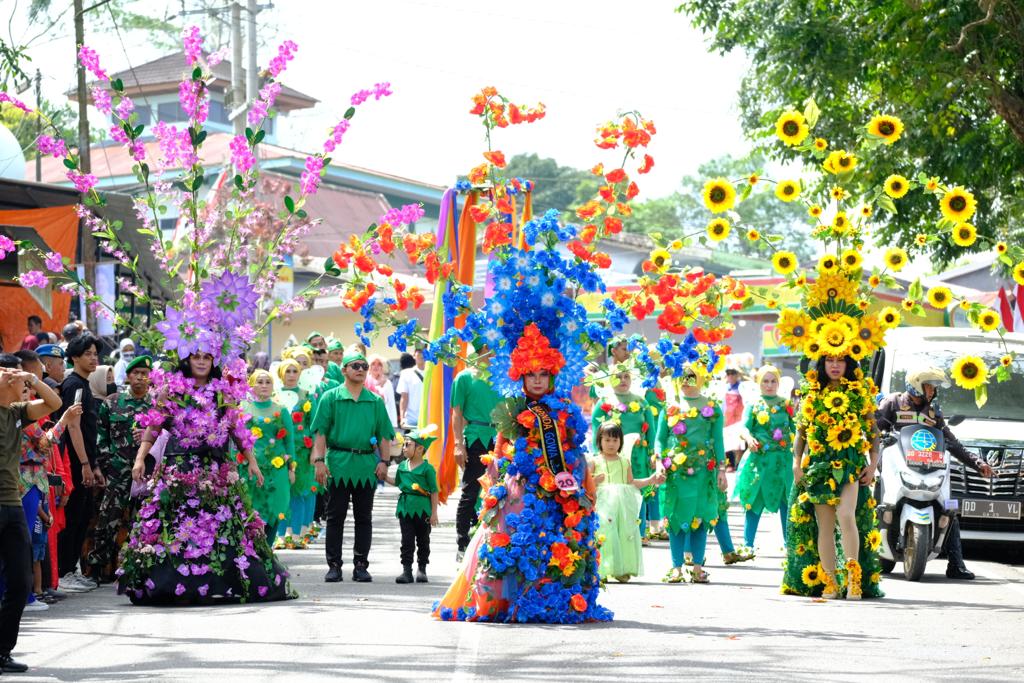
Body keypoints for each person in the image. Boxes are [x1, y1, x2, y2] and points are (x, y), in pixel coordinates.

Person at [432, 324, 608, 623]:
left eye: (543, 375)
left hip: (558, 487)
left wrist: (573, 474)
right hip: (520, 485)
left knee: (559, 538)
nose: (537, 381)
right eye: (531, 375)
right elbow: (500, 446)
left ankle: (553, 599)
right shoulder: (513, 406)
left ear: (551, 376)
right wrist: (501, 468)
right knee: (514, 536)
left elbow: (572, 445)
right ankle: (510, 599)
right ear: (521, 376)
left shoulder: (563, 407)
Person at [121, 352, 292, 604]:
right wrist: (139, 458)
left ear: (214, 362)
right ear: (186, 360)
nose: (201, 362)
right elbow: (153, 426)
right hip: (178, 468)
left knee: (220, 527)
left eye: (207, 358)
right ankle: (172, 584)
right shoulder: (173, 389)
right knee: (178, 528)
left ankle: (219, 583)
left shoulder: (223, 391)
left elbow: (237, 430)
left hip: (215, 470)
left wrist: (252, 462)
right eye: (196, 357)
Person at [875, 365, 994, 580]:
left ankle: (956, 564)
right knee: (871, 500)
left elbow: (950, 441)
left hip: (927, 470)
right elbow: (872, 428)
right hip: (893, 469)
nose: (933, 391)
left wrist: (978, 463)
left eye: (934, 387)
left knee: (949, 507)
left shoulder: (934, 412)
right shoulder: (893, 402)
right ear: (916, 385)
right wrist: (881, 436)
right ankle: (860, 556)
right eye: (930, 386)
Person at [782, 355, 884, 600]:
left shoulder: (859, 394)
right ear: (822, 364)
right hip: (818, 467)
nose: (835, 365)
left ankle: (853, 581)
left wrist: (873, 465)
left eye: (840, 361)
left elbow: (874, 434)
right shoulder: (812, 394)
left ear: (849, 364)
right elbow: (801, 433)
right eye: (830, 360)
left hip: (850, 466)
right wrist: (796, 463)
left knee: (846, 515)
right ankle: (830, 582)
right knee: (824, 527)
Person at [0, 357, 64, 673]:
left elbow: (54, 402)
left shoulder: (16, 413)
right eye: (15, 380)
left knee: (20, 580)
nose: (23, 386)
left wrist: (32, 379)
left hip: (12, 503)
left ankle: (2, 651)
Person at [311, 347, 395, 583]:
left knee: (363, 517)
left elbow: (384, 436)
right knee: (335, 516)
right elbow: (320, 433)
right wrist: (319, 461)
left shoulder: (375, 401)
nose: (360, 370)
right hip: (338, 462)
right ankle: (334, 565)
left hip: (366, 464)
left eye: (364, 367)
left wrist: (384, 462)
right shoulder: (331, 397)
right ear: (344, 369)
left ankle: (361, 565)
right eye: (355, 366)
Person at [655, 362, 727, 584]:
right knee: (675, 518)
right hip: (675, 474)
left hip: (704, 473)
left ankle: (697, 567)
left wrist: (722, 470)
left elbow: (719, 441)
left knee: (701, 517)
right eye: (682, 376)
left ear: (701, 377)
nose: (686, 381)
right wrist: (659, 462)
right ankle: (676, 567)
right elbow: (659, 438)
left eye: (691, 376)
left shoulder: (713, 407)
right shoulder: (670, 406)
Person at [85, 355, 152, 582]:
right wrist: (106, 465)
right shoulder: (112, 402)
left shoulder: (156, 406)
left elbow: (166, 437)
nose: (141, 378)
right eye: (136, 373)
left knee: (142, 520)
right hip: (118, 471)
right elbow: (101, 436)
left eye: (145, 374)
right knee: (107, 520)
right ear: (128, 376)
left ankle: (138, 568)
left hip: (147, 474)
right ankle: (96, 568)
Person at [54, 334, 106, 590]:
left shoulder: (85, 385)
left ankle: (69, 569)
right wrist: (84, 464)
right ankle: (63, 574)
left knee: (82, 516)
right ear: (74, 357)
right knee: (73, 517)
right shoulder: (73, 385)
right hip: (73, 464)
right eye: (88, 353)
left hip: (84, 463)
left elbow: (87, 430)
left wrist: (93, 464)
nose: (94, 358)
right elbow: (72, 426)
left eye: (96, 353)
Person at [590, 371, 657, 543]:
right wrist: (596, 457)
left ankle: (639, 532)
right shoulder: (603, 403)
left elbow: (652, 431)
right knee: (613, 492)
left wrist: (651, 453)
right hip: (610, 457)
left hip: (638, 456)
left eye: (626, 376)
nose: (623, 380)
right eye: (618, 376)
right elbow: (596, 433)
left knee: (637, 491)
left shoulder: (642, 402)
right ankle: (612, 531)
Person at [591, 421, 661, 583]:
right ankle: (604, 568)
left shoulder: (624, 462)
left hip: (623, 504)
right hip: (604, 503)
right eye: (607, 440)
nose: (611, 444)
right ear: (599, 441)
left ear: (620, 442)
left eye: (615, 440)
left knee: (624, 533)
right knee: (606, 532)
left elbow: (631, 482)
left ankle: (622, 568)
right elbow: (585, 483)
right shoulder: (595, 461)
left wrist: (650, 480)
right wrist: (594, 480)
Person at [735, 364, 795, 551]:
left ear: (778, 383)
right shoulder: (753, 405)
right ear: (759, 383)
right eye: (765, 381)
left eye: (773, 381)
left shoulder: (786, 405)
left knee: (786, 501)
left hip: (783, 462)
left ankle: (789, 545)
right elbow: (743, 427)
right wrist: (749, 438)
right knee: (754, 502)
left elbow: (796, 430)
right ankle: (748, 545)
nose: (769, 385)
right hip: (760, 461)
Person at [450, 343, 501, 561]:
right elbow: (457, 412)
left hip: (499, 438)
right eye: (493, 345)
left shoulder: (501, 376)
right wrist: (458, 443)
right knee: (471, 491)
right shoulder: (464, 377)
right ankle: (463, 544)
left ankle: (488, 542)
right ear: (483, 348)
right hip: (474, 438)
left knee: (497, 493)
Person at [242, 370, 294, 540]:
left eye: (267, 382)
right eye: (260, 382)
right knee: (251, 509)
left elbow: (289, 442)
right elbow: (238, 439)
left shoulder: (281, 410)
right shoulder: (243, 407)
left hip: (276, 469)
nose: (264, 385)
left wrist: (291, 468)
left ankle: (269, 552)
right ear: (252, 385)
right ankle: (253, 553)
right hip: (249, 467)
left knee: (276, 507)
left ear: (273, 386)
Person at [386, 425, 439, 584]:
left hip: (422, 509)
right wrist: (383, 477)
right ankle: (406, 570)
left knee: (423, 540)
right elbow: (397, 483)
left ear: (419, 448)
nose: (404, 447)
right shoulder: (402, 466)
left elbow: (434, 491)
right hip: (405, 508)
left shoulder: (427, 469)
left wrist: (434, 513)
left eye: (408, 444)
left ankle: (422, 568)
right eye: (404, 444)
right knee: (406, 540)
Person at [274, 359, 317, 549]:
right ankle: (281, 535)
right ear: (281, 373)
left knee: (299, 491)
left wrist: (315, 451)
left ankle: (297, 534)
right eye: (288, 371)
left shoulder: (307, 396)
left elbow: (315, 426)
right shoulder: (274, 397)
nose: (291, 375)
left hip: (303, 452)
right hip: (279, 452)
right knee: (282, 493)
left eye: (295, 371)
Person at [366, 355, 399, 433]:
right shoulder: (364, 381)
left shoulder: (387, 383)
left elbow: (391, 404)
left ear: (383, 367)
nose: (376, 366)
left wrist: (393, 425)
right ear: (369, 367)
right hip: (367, 420)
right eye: (373, 363)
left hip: (383, 421)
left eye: (379, 364)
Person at [396, 350, 424, 432]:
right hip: (411, 421)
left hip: (430, 421)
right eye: (419, 351)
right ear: (414, 355)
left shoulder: (434, 372)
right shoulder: (406, 373)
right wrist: (402, 418)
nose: (422, 354)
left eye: (425, 352)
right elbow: (404, 397)